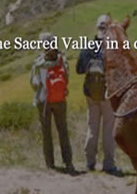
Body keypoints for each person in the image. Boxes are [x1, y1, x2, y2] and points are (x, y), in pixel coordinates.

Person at [76, 14, 119, 174]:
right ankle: (108, 164)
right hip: (108, 94)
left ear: (97, 28)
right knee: (108, 129)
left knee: (92, 127)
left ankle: (90, 163)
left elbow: (79, 69)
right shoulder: (112, 48)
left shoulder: (88, 47)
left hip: (91, 94)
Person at [30, 32, 74, 173]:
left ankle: (50, 164)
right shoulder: (63, 60)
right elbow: (66, 79)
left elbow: (34, 84)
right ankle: (68, 162)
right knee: (63, 131)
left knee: (46, 133)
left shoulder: (39, 63)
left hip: (44, 102)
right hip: (60, 100)